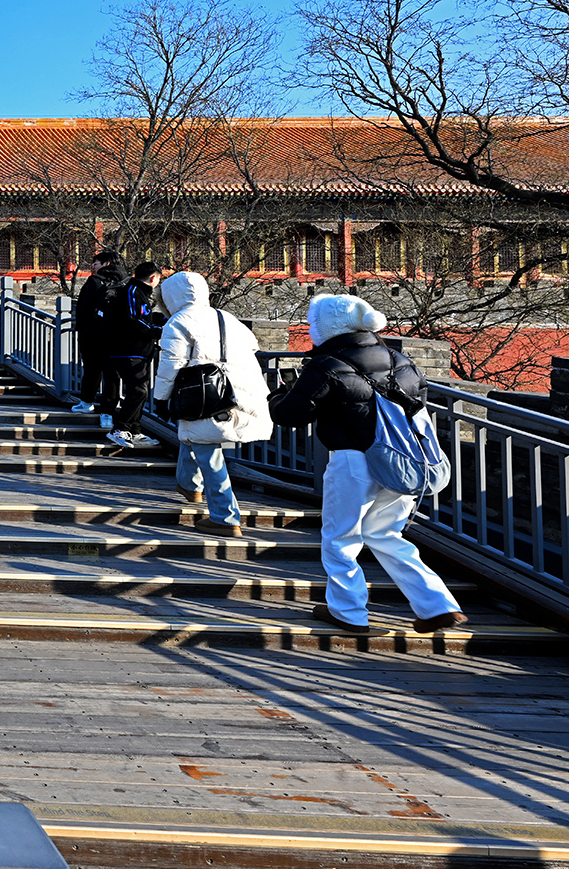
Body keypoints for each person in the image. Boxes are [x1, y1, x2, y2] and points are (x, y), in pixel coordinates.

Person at [269, 295, 466, 634]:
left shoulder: (326, 364)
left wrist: (276, 396)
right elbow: (417, 404)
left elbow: (291, 415)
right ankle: (438, 605)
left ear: (328, 327)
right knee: (385, 533)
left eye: (314, 324)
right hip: (400, 461)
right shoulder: (400, 360)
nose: (311, 330)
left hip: (353, 461)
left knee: (341, 537)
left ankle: (348, 612)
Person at [149, 271, 271, 538]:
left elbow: (171, 364)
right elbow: (252, 348)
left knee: (209, 453)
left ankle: (225, 517)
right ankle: (190, 486)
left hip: (204, 393)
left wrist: (160, 398)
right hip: (238, 391)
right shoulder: (227, 317)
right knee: (196, 435)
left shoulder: (178, 321)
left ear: (169, 298)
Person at [102, 262, 166, 448]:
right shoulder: (132, 291)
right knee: (139, 390)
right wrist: (159, 332)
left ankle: (134, 430)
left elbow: (144, 317)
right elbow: (135, 320)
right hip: (127, 350)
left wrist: (163, 320)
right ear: (153, 278)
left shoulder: (139, 293)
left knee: (138, 391)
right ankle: (119, 429)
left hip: (138, 351)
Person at [72, 251, 127, 422]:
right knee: (112, 375)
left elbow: (82, 308)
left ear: (106, 263)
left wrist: (81, 329)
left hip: (93, 335)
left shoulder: (95, 281)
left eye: (95, 263)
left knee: (91, 370)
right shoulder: (127, 282)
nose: (93, 267)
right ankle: (107, 413)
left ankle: (87, 402)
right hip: (117, 336)